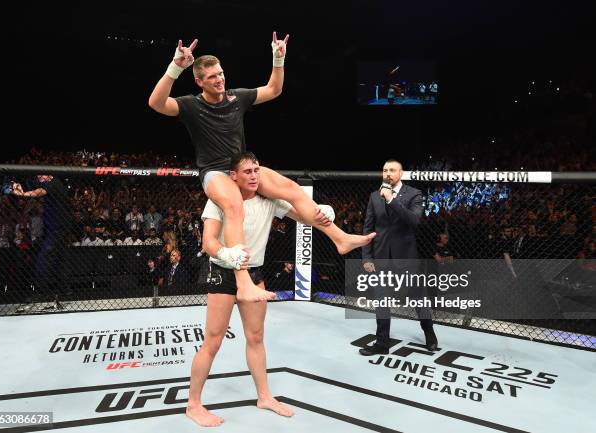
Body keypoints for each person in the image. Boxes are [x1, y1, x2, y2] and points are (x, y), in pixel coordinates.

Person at [148, 33, 374, 303]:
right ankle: (243, 283)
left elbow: (273, 89)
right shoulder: (192, 105)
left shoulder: (237, 98)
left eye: (220, 73)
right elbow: (156, 103)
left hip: (241, 166)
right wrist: (175, 67)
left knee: (291, 188)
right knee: (233, 205)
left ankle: (339, 238)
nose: (219, 79)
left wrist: (279, 58)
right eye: (211, 77)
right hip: (215, 172)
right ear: (199, 81)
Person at [186, 151, 335, 427]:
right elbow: (208, 242)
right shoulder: (220, 198)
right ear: (233, 176)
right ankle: (193, 404)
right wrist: (226, 254)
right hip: (223, 272)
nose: (254, 175)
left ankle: (264, 396)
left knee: (256, 336)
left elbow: (301, 215)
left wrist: (320, 212)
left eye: (256, 170)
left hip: (254, 272)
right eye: (247, 172)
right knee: (213, 341)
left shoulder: (269, 198)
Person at [360, 159, 438, 355]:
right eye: (385, 170)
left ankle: (429, 333)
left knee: (418, 298)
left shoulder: (414, 194)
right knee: (381, 300)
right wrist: (367, 257)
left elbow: (413, 220)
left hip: (406, 258)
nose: (388, 173)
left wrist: (391, 200)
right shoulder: (374, 196)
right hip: (381, 257)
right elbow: (368, 228)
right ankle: (382, 343)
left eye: (392, 170)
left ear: (401, 173)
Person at [11, 175, 72, 309]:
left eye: (41, 176)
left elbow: (39, 192)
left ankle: (41, 292)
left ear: (49, 175)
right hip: (55, 228)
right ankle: (65, 289)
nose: (39, 178)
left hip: (58, 228)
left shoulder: (54, 183)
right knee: (61, 259)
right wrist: (19, 185)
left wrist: (23, 194)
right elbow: (34, 184)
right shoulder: (46, 182)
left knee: (43, 259)